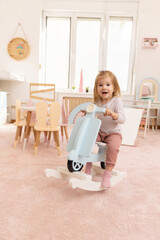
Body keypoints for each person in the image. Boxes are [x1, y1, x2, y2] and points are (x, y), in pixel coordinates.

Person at [85, 70, 126, 188]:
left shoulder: (116, 101)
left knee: (113, 148)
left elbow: (122, 119)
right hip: (99, 131)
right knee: (87, 138)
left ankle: (107, 174)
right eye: (100, 85)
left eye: (108, 84)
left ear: (114, 88)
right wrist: (87, 112)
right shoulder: (96, 102)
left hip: (113, 133)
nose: (104, 87)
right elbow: (91, 115)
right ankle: (88, 163)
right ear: (96, 88)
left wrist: (113, 114)